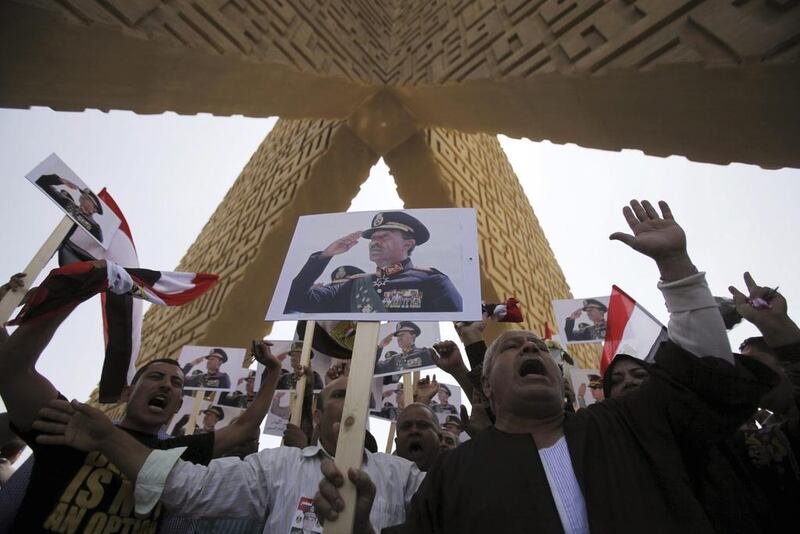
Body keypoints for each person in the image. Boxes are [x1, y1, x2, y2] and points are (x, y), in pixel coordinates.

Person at [314, 199, 779, 533]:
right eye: (513, 349)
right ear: (488, 389)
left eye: (537, 348)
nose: (532, 351)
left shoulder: (629, 424)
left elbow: (705, 372)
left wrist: (676, 267)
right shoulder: (454, 474)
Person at [0, 261, 283, 533]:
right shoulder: (73, 424)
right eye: (155, 377)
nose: (166, 387)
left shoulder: (178, 455)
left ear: (176, 407)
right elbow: (13, 370)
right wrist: (76, 286)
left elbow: (244, 428)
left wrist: (273, 372)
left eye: (176, 384)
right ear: (127, 392)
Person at [33, 375, 425, 533]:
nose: (353, 400)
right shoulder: (277, 466)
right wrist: (108, 439)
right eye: (340, 394)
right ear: (317, 416)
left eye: (359, 394)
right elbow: (189, 488)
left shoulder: (405, 475)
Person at [284, 211, 462, 313]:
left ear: (407, 244)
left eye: (384, 236)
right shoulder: (353, 284)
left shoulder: (432, 281)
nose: (375, 241)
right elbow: (296, 300)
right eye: (373, 237)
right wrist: (325, 256)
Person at [34, 174, 105, 243]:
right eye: (83, 195)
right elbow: (41, 181)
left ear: (95, 209)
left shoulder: (95, 227)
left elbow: (97, 246)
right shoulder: (69, 205)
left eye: (87, 198)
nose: (83, 197)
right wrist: (62, 181)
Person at [394, 403, 442, 471]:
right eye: (406, 426)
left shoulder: (458, 477)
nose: (414, 431)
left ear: (439, 438)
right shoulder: (381, 480)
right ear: (396, 443)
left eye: (423, 425)